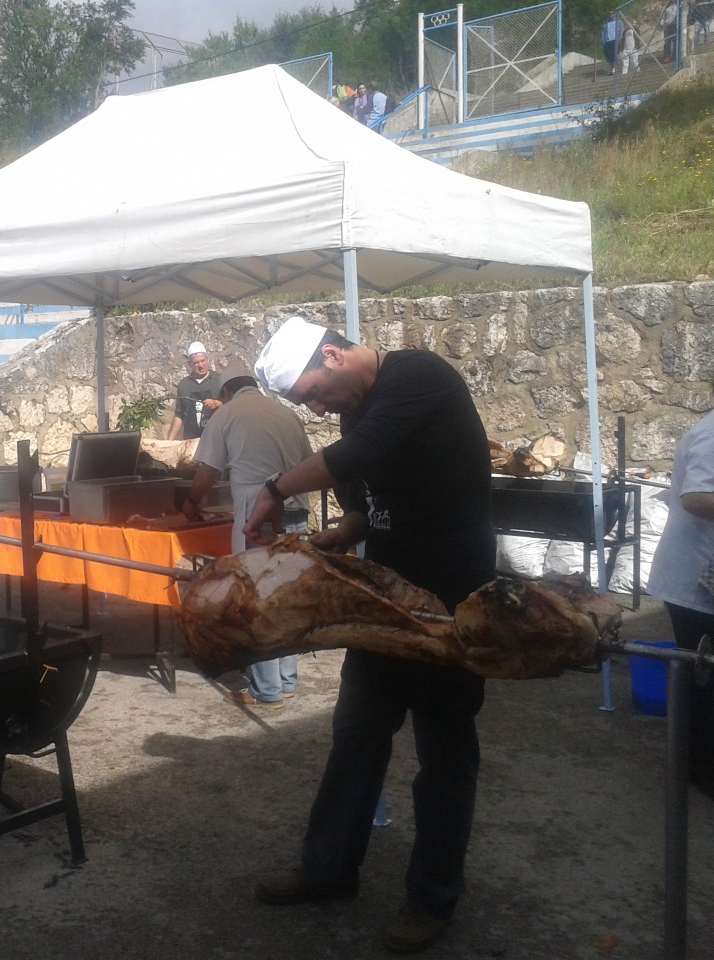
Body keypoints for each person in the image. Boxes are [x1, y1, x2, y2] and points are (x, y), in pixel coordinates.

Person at [244, 317, 495, 954]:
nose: (317, 409)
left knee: (443, 752)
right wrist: (346, 531)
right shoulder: (356, 410)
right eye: (306, 404)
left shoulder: (418, 376)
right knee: (355, 736)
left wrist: (275, 489)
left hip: (448, 602)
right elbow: (369, 499)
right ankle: (327, 870)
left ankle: (432, 897)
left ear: (333, 354)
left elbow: (362, 455)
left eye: (312, 395)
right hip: (383, 598)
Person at [181, 365, 313, 710]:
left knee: (257, 600)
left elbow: (207, 473)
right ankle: (286, 682)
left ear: (225, 393)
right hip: (296, 510)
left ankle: (266, 690)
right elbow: (309, 462)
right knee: (287, 597)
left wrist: (191, 502)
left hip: (260, 514)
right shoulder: (285, 412)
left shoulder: (226, 414)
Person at [646, 411, 714, 800]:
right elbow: (697, 497)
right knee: (704, 679)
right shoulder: (713, 433)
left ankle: (696, 763)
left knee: (702, 678)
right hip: (696, 582)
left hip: (703, 577)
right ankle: (703, 770)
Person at [167, 341, 222, 440]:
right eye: (196, 362)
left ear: (208, 360)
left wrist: (218, 404)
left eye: (202, 360)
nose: (200, 365)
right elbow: (179, 415)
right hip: (190, 440)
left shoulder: (219, 380)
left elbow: (231, 407)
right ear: (189, 364)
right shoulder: (184, 385)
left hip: (215, 439)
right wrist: (169, 441)